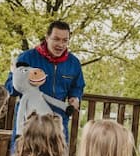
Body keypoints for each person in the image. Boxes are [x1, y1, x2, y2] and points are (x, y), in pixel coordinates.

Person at [5, 20, 86, 149]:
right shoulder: (26, 58)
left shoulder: (74, 62)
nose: (60, 44)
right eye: (56, 39)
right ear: (47, 38)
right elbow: (10, 88)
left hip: (58, 122)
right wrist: (17, 81)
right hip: (30, 122)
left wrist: (75, 97)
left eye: (65, 40)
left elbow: (78, 86)